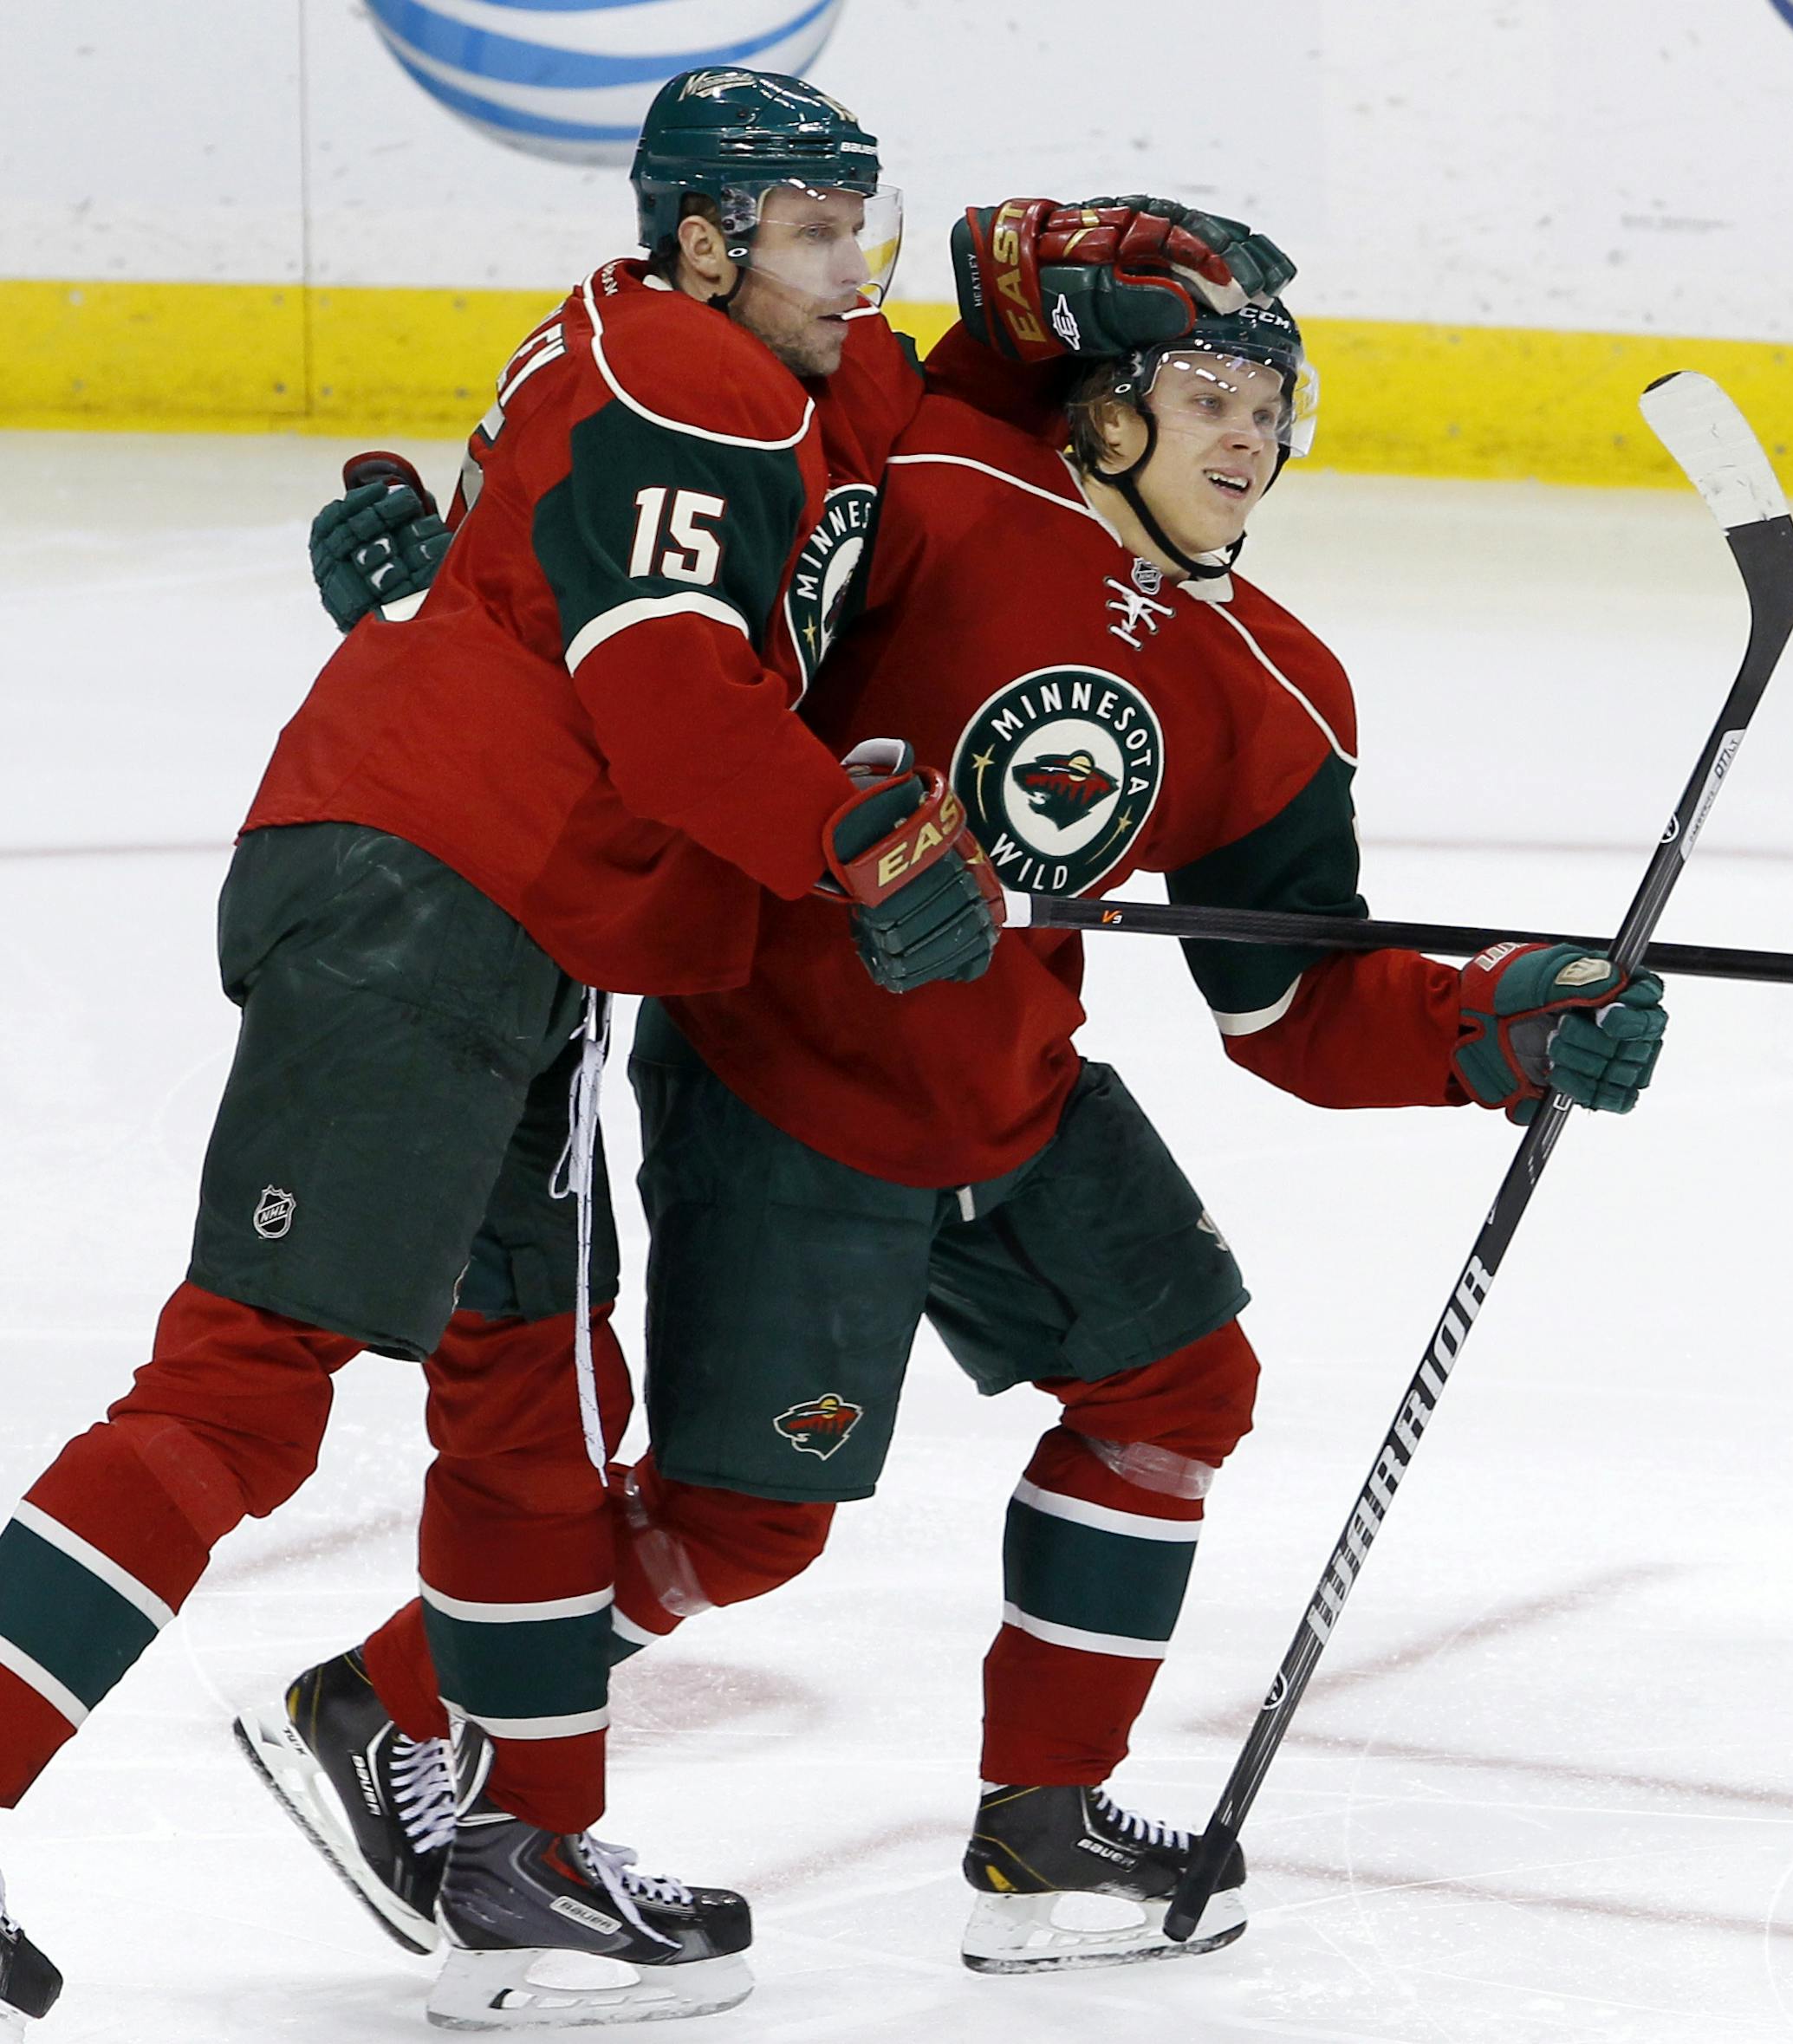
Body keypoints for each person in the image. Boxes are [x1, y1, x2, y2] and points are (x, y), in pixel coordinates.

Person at [251, 262, 1668, 1982]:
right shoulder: (935, 495)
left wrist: (1499, 1022)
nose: (1250, 435)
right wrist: (461, 587)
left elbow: (1287, 1005)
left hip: (1014, 1088)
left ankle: (1045, 1821)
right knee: (738, 1526)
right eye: (1212, 395)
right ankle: (384, 1699)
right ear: (1113, 411)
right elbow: (671, 594)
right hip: (788, 1075)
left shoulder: (1275, 690)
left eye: (1272, 408)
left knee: (1176, 1376)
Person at [0, 68, 1043, 2034]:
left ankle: (522, 1861)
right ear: (713, 242)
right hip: (432, 897)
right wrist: (858, 837)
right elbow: (661, 694)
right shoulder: (695, 380)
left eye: (865, 226)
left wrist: (1033, 313)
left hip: (511, 922)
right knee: (237, 1396)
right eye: (819, 235)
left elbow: (573, 560)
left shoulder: (704, 357)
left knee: (534, 1383)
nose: (857, 269)